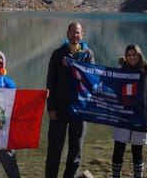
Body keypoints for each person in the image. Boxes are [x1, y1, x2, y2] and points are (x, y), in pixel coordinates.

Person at [45, 22, 95, 178]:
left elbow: (91, 80)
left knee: (76, 149)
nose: (75, 35)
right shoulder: (58, 53)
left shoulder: (88, 54)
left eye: (78, 33)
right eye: (73, 32)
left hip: (79, 109)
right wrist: (51, 108)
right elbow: (50, 82)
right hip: (59, 108)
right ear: (67, 34)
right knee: (54, 148)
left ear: (82, 35)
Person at [111, 44, 147, 178]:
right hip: (123, 117)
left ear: (139, 56)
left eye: (134, 55)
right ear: (126, 57)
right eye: (129, 55)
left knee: (137, 151)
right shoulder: (120, 72)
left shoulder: (146, 74)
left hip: (139, 117)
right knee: (118, 149)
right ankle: (115, 176)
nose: (132, 58)